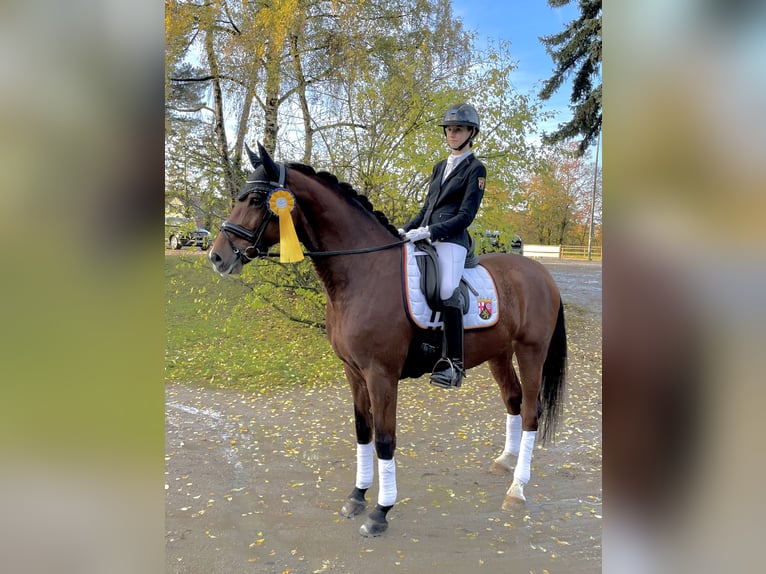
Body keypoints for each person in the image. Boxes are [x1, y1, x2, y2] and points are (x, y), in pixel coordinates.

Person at [400, 103, 487, 388]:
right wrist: (405, 229)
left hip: (452, 239)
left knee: (448, 288)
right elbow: (427, 206)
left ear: (470, 132)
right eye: (449, 130)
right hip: (426, 234)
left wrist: (430, 231)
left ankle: (454, 363)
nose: (452, 134)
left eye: (458, 129)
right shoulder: (439, 167)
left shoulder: (476, 169)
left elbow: (466, 215)